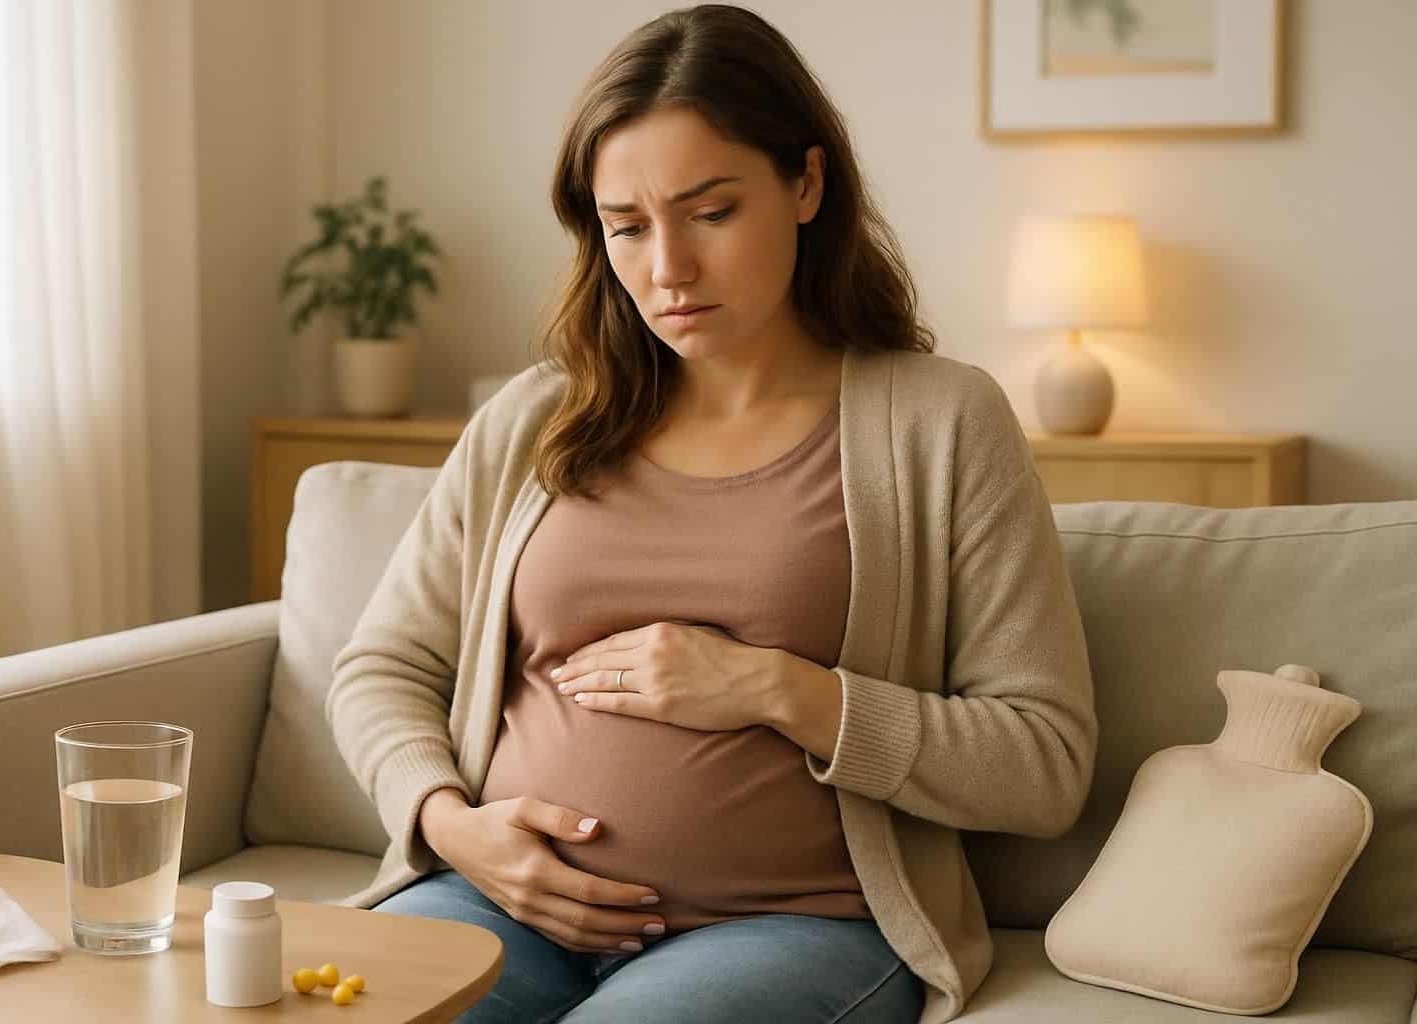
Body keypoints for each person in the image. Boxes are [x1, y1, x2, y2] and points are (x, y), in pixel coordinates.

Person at [326, 5, 1098, 1022]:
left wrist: (777, 688)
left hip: (790, 928)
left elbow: (1042, 762)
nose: (667, 268)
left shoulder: (942, 422)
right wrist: (448, 823)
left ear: (806, 184)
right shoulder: (531, 420)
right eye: (628, 227)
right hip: (498, 899)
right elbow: (381, 666)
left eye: (712, 211)